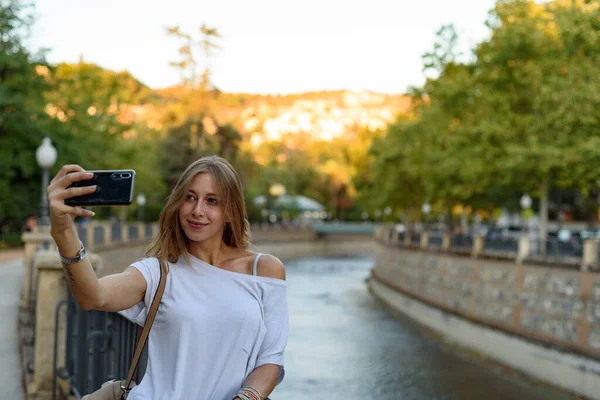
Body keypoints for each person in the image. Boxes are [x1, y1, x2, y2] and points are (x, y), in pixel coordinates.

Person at [48, 156, 289, 400]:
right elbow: (94, 297)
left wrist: (246, 397)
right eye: (190, 197)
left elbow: (270, 359)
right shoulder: (158, 273)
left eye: (212, 201)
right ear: (178, 203)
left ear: (230, 212)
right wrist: (64, 232)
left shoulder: (265, 270)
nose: (197, 211)